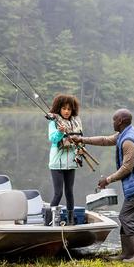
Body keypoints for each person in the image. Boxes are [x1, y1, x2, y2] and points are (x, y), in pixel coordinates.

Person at [70, 109, 134, 262]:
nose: (112, 122)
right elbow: (104, 140)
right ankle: (127, 253)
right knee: (126, 217)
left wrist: (107, 180)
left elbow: (127, 168)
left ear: (121, 121)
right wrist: (81, 139)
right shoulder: (125, 133)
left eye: (114, 119)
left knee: (126, 218)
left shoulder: (128, 141)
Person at [48, 93, 83, 226]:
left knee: (69, 192)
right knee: (58, 193)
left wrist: (81, 148)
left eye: (69, 109)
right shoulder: (53, 122)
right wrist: (60, 132)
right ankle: (49, 220)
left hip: (71, 163)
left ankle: (70, 221)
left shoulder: (76, 122)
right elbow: (53, 139)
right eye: (64, 108)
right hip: (57, 163)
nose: (67, 111)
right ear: (59, 108)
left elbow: (80, 139)